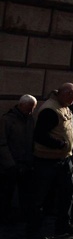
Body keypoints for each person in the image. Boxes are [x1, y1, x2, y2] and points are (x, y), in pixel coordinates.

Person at [26, 83, 73, 239]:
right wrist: (60, 144)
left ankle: (63, 224)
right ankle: (33, 233)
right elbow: (40, 135)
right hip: (46, 160)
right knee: (40, 199)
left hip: (64, 159)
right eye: (72, 94)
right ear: (62, 93)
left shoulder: (65, 107)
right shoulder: (50, 110)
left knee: (67, 194)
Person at [0, 94, 36, 223]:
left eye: (33, 108)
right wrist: (10, 163)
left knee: (25, 193)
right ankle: (4, 217)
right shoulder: (7, 120)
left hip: (26, 162)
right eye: (29, 108)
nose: (31, 111)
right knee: (6, 193)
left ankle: (22, 216)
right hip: (11, 164)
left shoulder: (30, 119)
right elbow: (2, 142)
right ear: (21, 105)